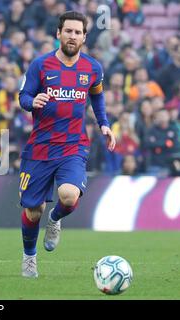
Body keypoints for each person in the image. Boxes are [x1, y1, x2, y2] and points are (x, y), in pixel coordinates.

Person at [18, 11, 116, 278]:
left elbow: (97, 98)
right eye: (68, 31)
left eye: (78, 32)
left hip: (73, 146)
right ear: (58, 34)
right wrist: (32, 101)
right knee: (33, 209)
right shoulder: (41, 65)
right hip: (40, 147)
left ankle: (56, 219)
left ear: (85, 37)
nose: (73, 36)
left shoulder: (93, 68)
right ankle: (29, 257)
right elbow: (23, 95)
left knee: (69, 196)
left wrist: (104, 123)